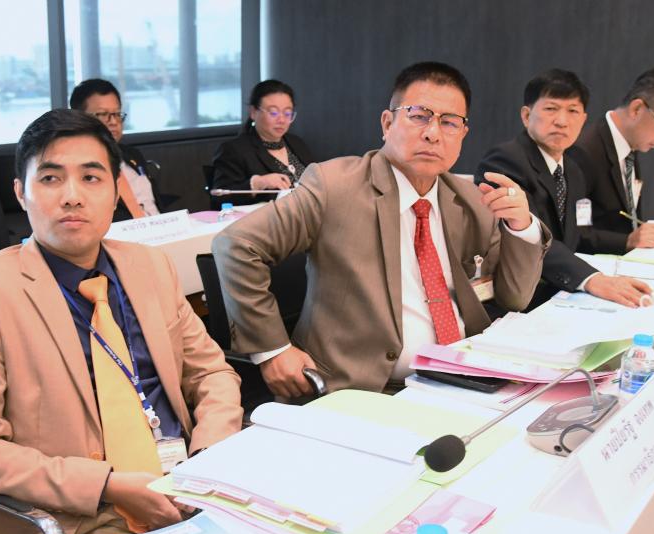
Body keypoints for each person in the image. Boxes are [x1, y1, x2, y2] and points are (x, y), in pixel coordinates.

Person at [0, 109, 242, 534]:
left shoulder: (150, 267)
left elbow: (213, 374)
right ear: (21, 193)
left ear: (115, 191)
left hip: (190, 490)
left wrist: (206, 457)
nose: (72, 195)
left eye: (91, 177)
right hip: (77, 525)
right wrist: (107, 484)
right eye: (51, 178)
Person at [212, 62, 551, 397]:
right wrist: (273, 349)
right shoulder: (334, 186)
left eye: (449, 122)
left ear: (462, 134)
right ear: (387, 123)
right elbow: (236, 245)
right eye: (419, 116)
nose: (433, 133)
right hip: (356, 391)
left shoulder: (472, 201)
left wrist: (521, 228)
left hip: (463, 384)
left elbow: (515, 297)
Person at [476, 69, 652, 308]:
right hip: (520, 298)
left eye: (573, 111)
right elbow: (533, 240)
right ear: (526, 115)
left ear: (583, 119)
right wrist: (592, 279)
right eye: (551, 109)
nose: (562, 121)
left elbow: (580, 235)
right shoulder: (505, 161)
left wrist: (626, 242)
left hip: (560, 292)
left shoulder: (573, 169)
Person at [569, 67, 654, 255]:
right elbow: (574, 233)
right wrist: (627, 241)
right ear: (637, 109)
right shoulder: (585, 151)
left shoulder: (629, 145)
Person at [211, 79, 315, 204]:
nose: (282, 120)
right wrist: (258, 184)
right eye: (273, 113)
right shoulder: (234, 150)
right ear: (253, 112)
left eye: (287, 113)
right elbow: (218, 198)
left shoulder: (296, 143)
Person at [70, 78, 161, 219]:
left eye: (117, 114)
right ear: (79, 119)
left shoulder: (133, 155)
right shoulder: (76, 168)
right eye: (102, 114)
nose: (113, 122)